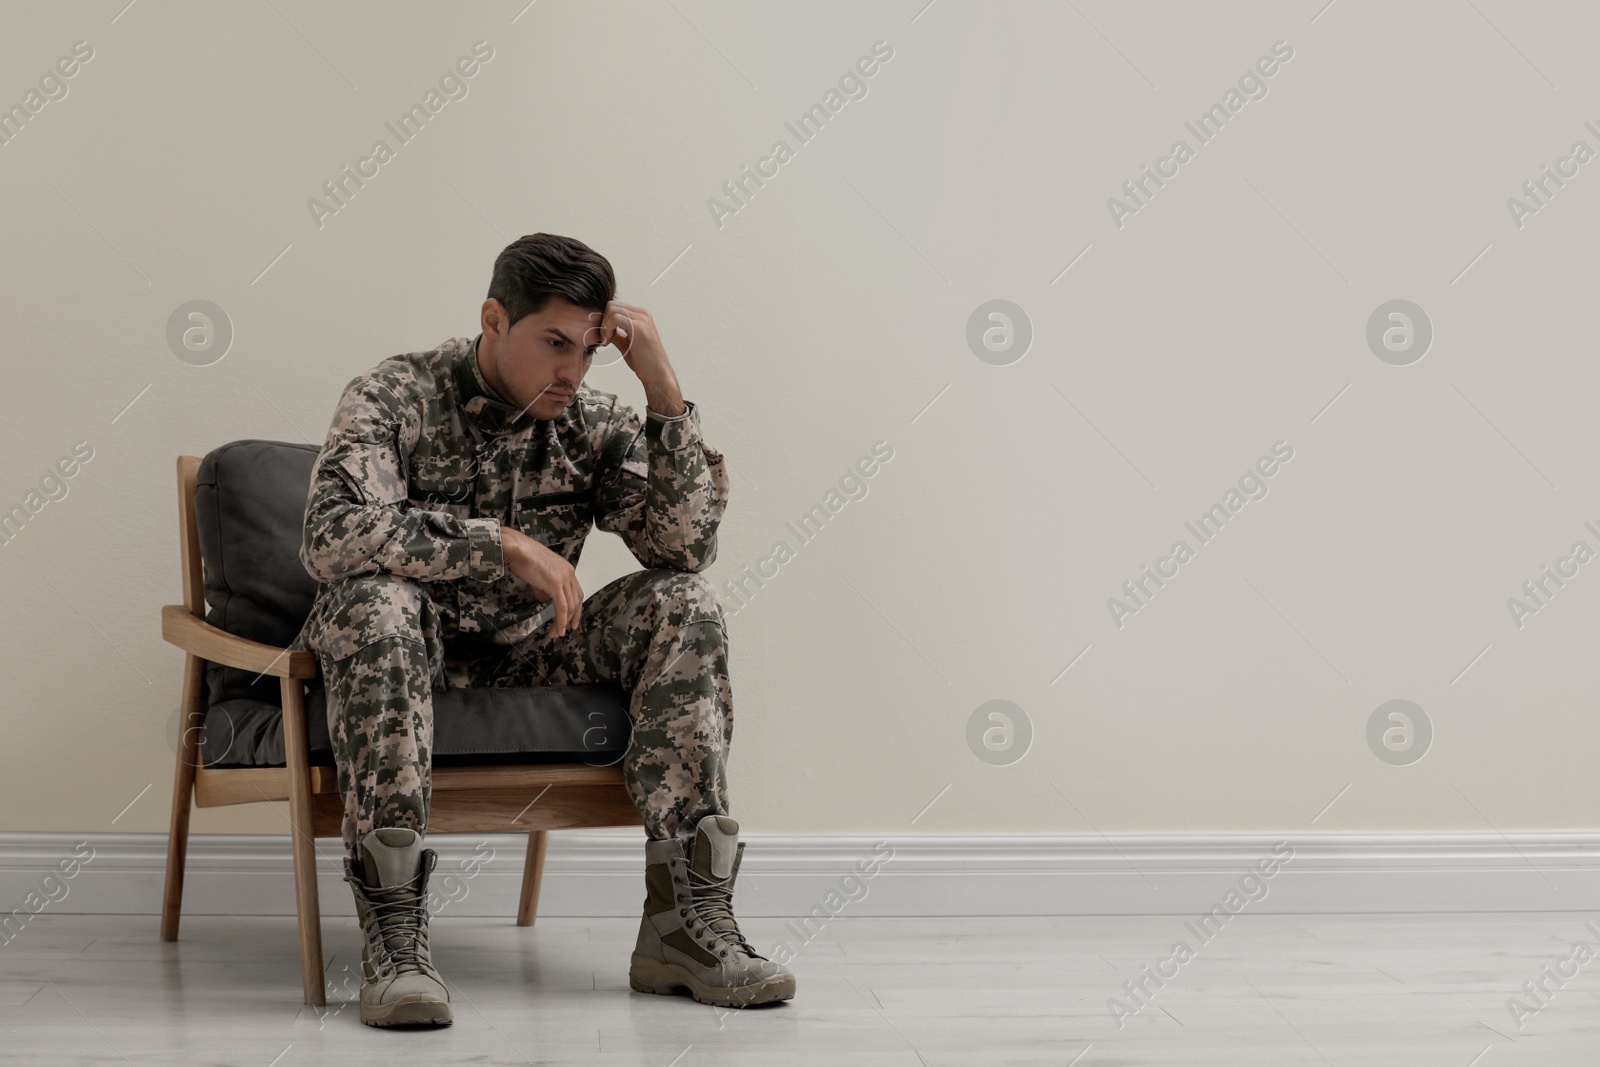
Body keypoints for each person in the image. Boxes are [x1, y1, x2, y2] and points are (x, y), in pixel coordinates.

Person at [287, 232, 794, 1027]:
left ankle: (683, 927)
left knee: (683, 602)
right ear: (494, 319)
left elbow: (685, 546)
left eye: (589, 350)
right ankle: (396, 937)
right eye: (554, 343)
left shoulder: (588, 419)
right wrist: (498, 542)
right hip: (403, 657)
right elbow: (332, 534)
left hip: (533, 655)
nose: (572, 371)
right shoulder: (395, 395)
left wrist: (663, 389)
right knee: (377, 602)